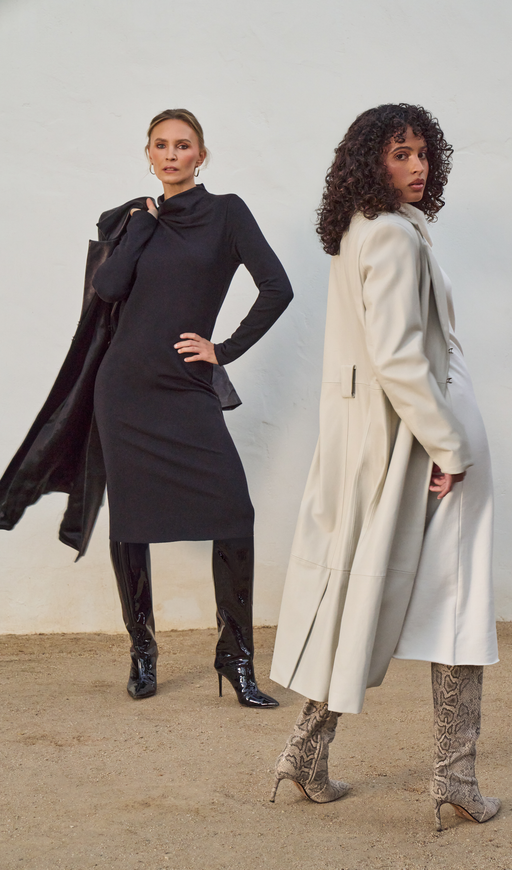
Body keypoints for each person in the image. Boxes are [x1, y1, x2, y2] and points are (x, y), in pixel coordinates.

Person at [269, 104, 500, 829]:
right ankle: (455, 780)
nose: (418, 165)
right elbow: (400, 359)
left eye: (424, 153)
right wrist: (451, 448)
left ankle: (304, 755)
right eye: (401, 154)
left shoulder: (361, 230)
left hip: (380, 439)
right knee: (458, 604)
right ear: (372, 162)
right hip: (422, 438)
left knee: (356, 596)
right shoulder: (395, 236)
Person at [92, 108, 293, 707]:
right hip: (124, 389)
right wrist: (142, 227)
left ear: (202, 155)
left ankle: (234, 656)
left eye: (184, 145)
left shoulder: (227, 213)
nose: (173, 154)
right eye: (162, 145)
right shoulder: (136, 219)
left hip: (184, 387)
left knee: (233, 511)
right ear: (149, 155)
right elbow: (108, 289)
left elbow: (277, 287)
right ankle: (143, 649)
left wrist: (222, 349)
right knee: (130, 522)